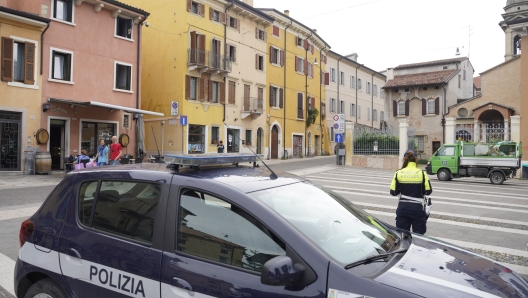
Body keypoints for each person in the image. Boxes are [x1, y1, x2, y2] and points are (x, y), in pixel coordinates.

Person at [389, 150, 432, 235]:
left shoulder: (398, 173)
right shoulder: (422, 173)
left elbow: (393, 192)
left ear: (404, 159)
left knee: (403, 235)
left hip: (403, 208)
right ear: (416, 160)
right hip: (418, 209)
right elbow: (428, 191)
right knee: (419, 236)